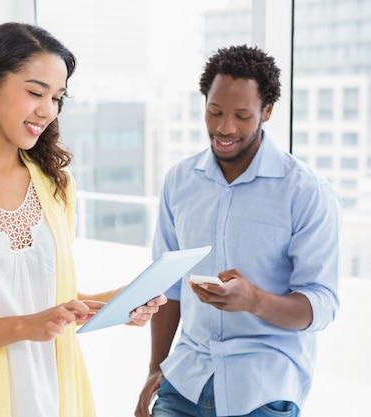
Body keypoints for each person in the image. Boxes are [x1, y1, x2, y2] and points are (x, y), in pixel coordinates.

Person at [0, 22, 166, 417]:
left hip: (56, 399)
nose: (47, 110)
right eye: (35, 92)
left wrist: (119, 302)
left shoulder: (57, 185)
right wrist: (24, 327)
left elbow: (48, 305)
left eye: (57, 97)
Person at [135, 45, 342, 417]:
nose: (224, 128)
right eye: (214, 112)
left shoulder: (306, 192)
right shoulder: (180, 181)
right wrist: (157, 366)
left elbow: (321, 305)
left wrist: (254, 300)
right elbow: (167, 285)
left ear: (267, 111)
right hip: (186, 379)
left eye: (242, 115)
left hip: (262, 387)